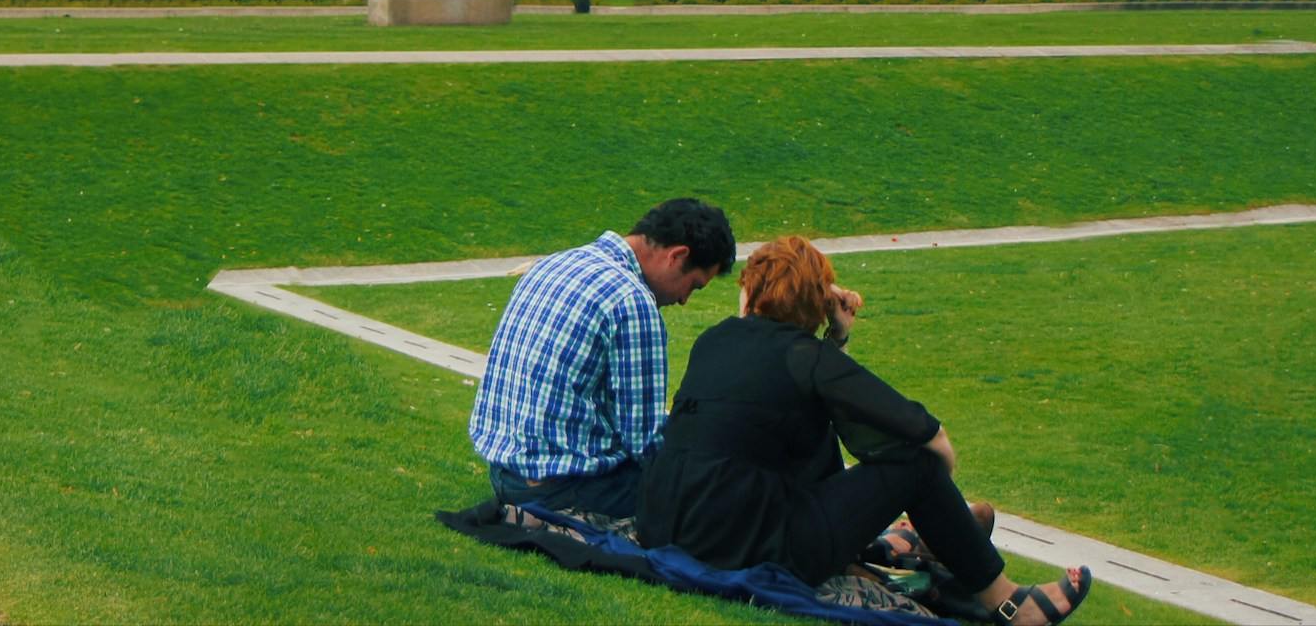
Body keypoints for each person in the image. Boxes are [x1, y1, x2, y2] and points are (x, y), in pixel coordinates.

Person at [639, 236, 1093, 626]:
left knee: (800, 427)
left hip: (671, 527)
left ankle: (909, 543)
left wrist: (826, 334)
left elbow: (776, 380)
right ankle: (1007, 601)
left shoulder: (713, 341)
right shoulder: (808, 359)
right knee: (915, 464)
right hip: (746, 547)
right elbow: (929, 438)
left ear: (749, 292)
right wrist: (833, 330)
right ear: (816, 302)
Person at [468, 198, 736, 519]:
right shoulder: (631, 301)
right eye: (692, 286)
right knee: (720, 502)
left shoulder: (555, 263)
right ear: (677, 255)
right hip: (561, 487)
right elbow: (645, 442)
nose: (683, 300)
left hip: (504, 474)